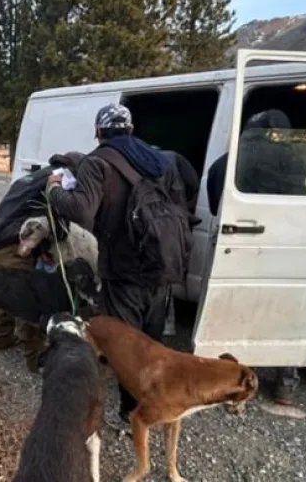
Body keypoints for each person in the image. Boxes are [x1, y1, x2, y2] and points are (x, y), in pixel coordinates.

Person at [45, 103, 192, 430]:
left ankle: (131, 413)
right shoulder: (160, 160)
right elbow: (186, 195)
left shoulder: (97, 163)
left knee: (127, 346)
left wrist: (54, 188)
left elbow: (80, 211)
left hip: (124, 268)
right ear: (130, 128)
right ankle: (155, 399)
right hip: (162, 265)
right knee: (152, 342)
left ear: (99, 132)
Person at [204, 108, 305, 406]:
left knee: (230, 313)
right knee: (285, 315)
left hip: (236, 246)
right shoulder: (293, 160)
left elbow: (213, 204)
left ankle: (227, 381)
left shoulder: (227, 161)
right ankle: (285, 384)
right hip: (283, 248)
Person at [0, 152, 85, 372]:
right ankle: (35, 358)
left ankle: (1, 339)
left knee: (9, 290)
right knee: (30, 299)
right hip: (12, 244)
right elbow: (55, 223)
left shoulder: (35, 177)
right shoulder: (57, 182)